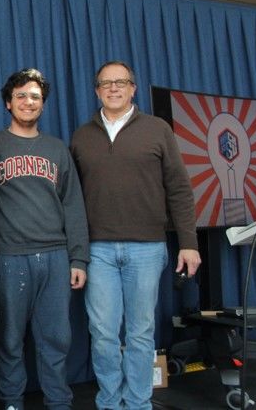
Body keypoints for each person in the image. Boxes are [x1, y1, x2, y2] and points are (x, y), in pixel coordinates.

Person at [70, 60, 201, 410]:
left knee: (141, 334)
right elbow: (71, 201)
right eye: (106, 83)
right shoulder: (81, 137)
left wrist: (188, 243)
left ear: (133, 88)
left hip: (147, 249)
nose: (113, 88)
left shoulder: (158, 130)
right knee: (102, 336)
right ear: (97, 90)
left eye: (121, 82)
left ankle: (139, 403)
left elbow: (179, 190)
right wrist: (76, 252)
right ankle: (110, 403)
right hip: (97, 251)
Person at [0, 68, 89, 410]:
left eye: (35, 97)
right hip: (8, 257)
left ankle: (58, 403)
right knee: (8, 341)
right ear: (8, 102)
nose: (28, 102)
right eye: (21, 96)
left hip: (55, 257)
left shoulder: (57, 149)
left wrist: (78, 258)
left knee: (56, 340)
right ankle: (12, 403)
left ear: (43, 104)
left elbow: (73, 204)